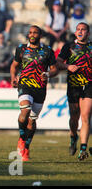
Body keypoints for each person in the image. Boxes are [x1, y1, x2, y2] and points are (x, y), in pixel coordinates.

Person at [10, 25, 58, 161]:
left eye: (35, 33)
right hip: (25, 84)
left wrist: (48, 74)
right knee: (25, 110)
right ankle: (21, 137)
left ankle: (27, 146)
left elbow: (55, 69)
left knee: (32, 121)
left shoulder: (48, 51)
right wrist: (13, 78)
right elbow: (14, 65)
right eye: (30, 32)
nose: (32, 35)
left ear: (40, 35)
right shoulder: (21, 49)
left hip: (40, 88)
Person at [56, 22, 91, 161]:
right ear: (75, 32)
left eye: (83, 29)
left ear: (88, 33)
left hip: (89, 84)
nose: (80, 31)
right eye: (78, 29)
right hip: (73, 85)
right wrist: (68, 66)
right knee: (74, 117)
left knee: (85, 116)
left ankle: (83, 148)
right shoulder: (68, 47)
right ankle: (73, 136)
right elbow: (58, 63)